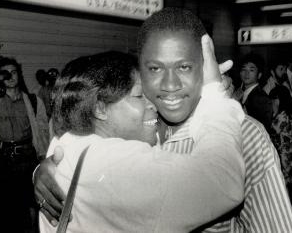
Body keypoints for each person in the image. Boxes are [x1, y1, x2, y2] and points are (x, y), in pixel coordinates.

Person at [34, 7, 292, 232]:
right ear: (140, 70)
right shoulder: (130, 128)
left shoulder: (245, 136)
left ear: (207, 70)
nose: (170, 84)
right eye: (155, 68)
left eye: (184, 67)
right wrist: (47, 168)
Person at [39, 52, 245, 232]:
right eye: (139, 96)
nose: (152, 104)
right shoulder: (117, 163)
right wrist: (214, 97)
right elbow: (224, 181)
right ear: (100, 109)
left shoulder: (65, 144)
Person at [0, 57, 49, 232]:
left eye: (14, 72)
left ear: (20, 75)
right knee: (6, 207)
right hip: (4, 159)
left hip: (28, 158)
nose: (10, 76)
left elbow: (43, 130)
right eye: (5, 73)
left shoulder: (32, 100)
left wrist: (44, 157)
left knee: (32, 204)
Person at [233, 53, 273, 132]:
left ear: (259, 75)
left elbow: (264, 130)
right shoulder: (238, 92)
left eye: (251, 70)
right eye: (244, 69)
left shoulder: (263, 99)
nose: (246, 73)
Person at [269, 85, 292, 192]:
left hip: (282, 154)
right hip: (287, 153)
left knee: (282, 186)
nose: (272, 102)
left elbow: (271, 132)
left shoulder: (282, 116)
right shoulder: (289, 114)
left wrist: (273, 114)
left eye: (275, 98)